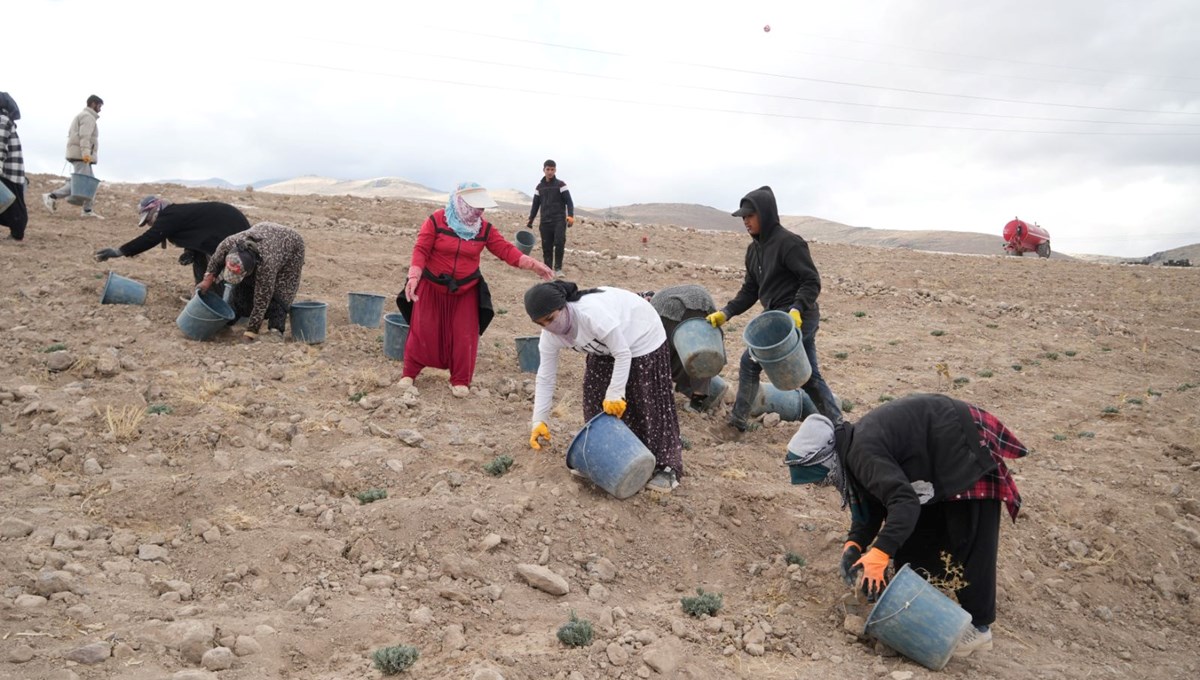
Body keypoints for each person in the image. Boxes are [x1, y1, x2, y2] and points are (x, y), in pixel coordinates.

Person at [784, 393, 1029, 659]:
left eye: (820, 478)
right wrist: (855, 544)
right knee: (912, 546)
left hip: (962, 449)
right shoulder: (853, 449)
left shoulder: (862, 452)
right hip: (933, 462)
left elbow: (904, 503)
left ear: (826, 459)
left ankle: (980, 629)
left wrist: (880, 552)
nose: (822, 484)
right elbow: (875, 503)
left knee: (968, 537)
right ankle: (922, 606)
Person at [525, 281, 684, 492]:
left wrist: (616, 393)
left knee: (646, 401)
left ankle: (667, 466)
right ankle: (604, 457)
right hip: (604, 348)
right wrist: (539, 420)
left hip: (642, 336)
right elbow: (545, 376)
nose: (548, 327)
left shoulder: (591, 314)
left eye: (551, 319)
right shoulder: (551, 336)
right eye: (541, 323)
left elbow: (623, 352)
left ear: (564, 307)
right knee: (594, 397)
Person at [398, 182, 553, 397]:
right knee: (423, 328)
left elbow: (506, 250)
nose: (479, 212)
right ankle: (409, 373)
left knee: (464, 335)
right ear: (461, 202)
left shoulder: (483, 229)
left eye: (482, 208)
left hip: (466, 290)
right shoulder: (436, 220)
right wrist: (414, 275)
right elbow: (421, 249)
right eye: (475, 206)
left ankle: (460, 379)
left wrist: (533, 264)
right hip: (432, 286)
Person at [707, 185, 842, 431]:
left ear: (765, 214)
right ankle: (839, 426)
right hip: (775, 317)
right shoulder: (753, 251)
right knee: (793, 372)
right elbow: (750, 290)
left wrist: (797, 309)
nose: (746, 221)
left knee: (791, 372)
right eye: (743, 217)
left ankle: (840, 427)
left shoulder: (789, 243)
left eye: (750, 215)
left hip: (799, 317)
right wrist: (726, 313)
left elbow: (811, 281)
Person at [94, 196, 252, 283]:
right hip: (228, 225)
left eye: (148, 220)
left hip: (232, 228)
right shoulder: (176, 213)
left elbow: (150, 238)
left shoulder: (169, 215)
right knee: (201, 260)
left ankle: (223, 301)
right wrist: (190, 250)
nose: (149, 224)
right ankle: (205, 295)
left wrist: (120, 251)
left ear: (155, 211)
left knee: (231, 267)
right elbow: (197, 229)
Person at [196, 222, 306, 343]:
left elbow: (261, 301)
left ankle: (276, 330)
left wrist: (250, 333)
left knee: (280, 291)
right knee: (241, 289)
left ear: (251, 268)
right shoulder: (228, 244)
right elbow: (215, 261)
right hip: (265, 232)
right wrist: (206, 281)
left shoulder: (266, 266)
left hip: (290, 244)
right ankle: (229, 320)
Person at [643, 285, 727, 412]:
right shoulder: (663, 293)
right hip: (704, 299)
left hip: (670, 310)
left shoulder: (652, 305)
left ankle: (662, 399)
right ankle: (697, 403)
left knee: (663, 356)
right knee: (702, 351)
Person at [43, 95, 104, 219]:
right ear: (93, 104)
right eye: (99, 106)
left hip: (79, 154)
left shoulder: (83, 116)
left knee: (86, 182)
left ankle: (87, 210)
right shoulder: (88, 117)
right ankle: (52, 196)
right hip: (82, 156)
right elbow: (84, 137)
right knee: (84, 183)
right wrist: (86, 155)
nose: (100, 109)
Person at [526, 159, 575, 277]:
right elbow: (535, 204)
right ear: (544, 170)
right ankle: (548, 270)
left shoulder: (561, 185)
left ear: (555, 170)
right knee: (546, 246)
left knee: (559, 242)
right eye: (548, 169)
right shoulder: (539, 187)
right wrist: (531, 219)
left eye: (552, 169)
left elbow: (569, 201)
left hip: (559, 220)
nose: (550, 172)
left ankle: (558, 269)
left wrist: (571, 215)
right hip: (545, 221)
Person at [0, 92, 27, 241]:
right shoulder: (5, 119)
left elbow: (0, 145)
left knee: (14, 208)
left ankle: (17, 234)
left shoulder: (2, 120)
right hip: (11, 170)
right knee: (14, 206)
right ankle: (17, 233)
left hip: (8, 171)